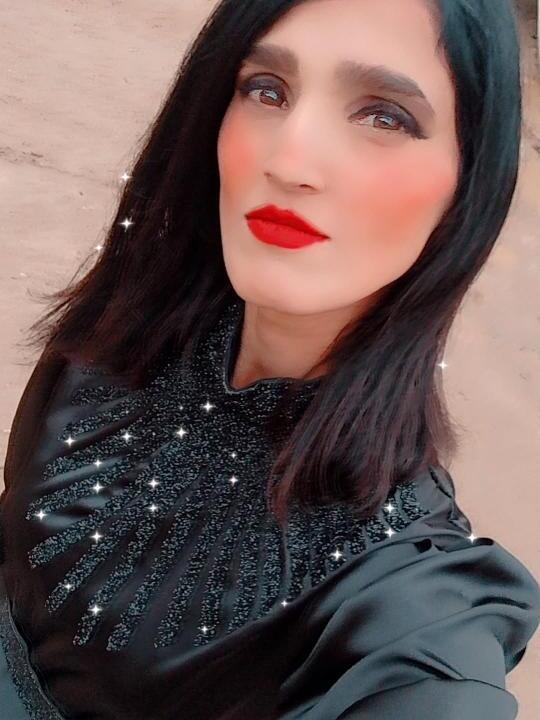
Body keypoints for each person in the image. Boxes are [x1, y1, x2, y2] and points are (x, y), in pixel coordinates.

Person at [1, 0, 539, 718]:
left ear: (469, 186)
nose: (288, 161)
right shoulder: (120, 334)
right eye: (267, 90)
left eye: (384, 116)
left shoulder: (410, 609)